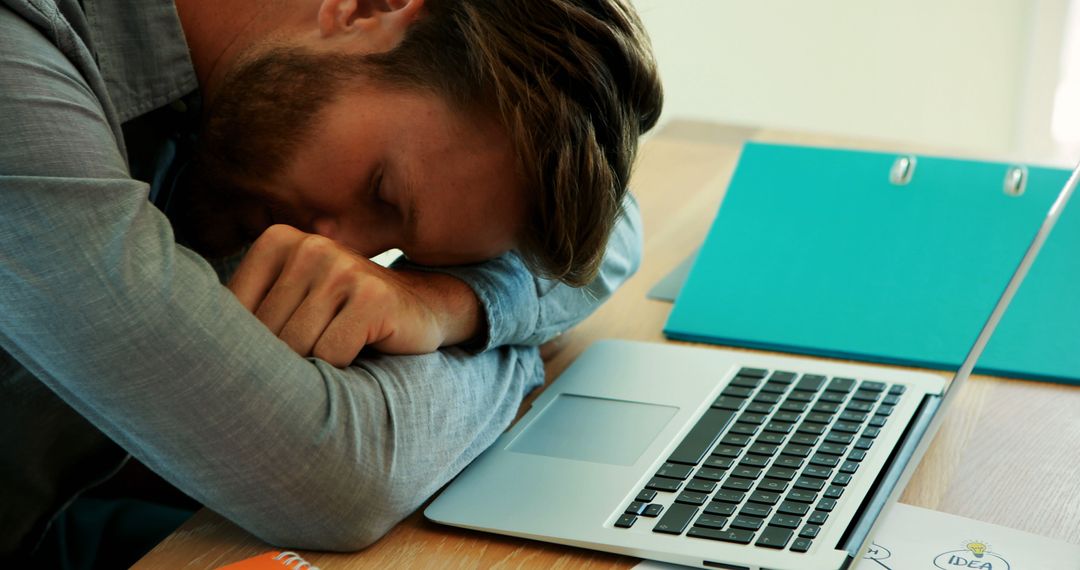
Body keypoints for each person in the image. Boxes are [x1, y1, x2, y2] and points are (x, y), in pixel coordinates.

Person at [0, 0, 663, 564]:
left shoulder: (289, 71)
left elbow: (619, 229)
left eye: (399, 244)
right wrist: (516, 358)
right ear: (367, 8)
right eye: (381, 193)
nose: (337, 250)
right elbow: (335, 481)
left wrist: (448, 301)